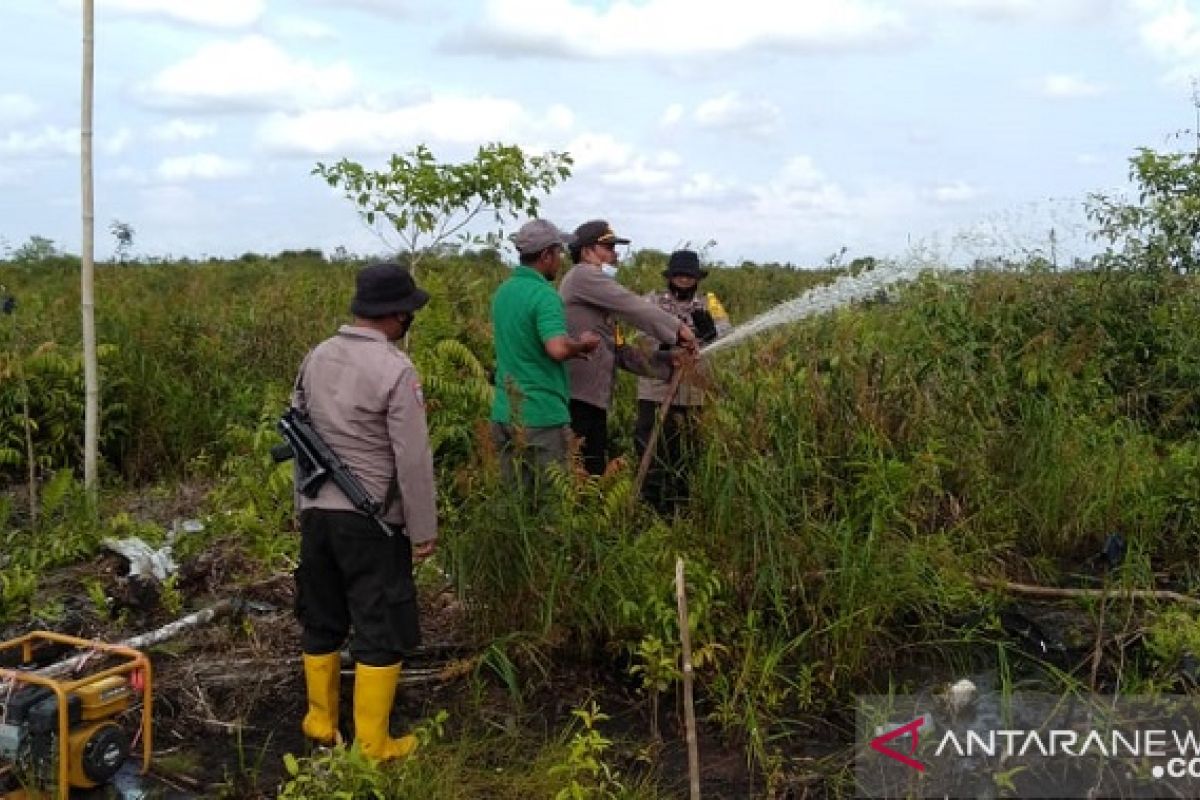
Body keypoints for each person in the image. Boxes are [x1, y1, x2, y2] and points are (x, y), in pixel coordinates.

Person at [292, 263, 437, 761]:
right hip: (371, 520)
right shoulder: (396, 369)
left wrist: (302, 506)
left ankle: (320, 722)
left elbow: (298, 435)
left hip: (316, 512)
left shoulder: (316, 357)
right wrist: (423, 530)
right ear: (396, 315)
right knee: (379, 624)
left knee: (322, 614)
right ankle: (373, 743)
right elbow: (412, 459)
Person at [560, 220, 698, 475]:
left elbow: (619, 352)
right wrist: (678, 330)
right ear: (587, 251)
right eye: (608, 247)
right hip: (577, 398)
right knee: (580, 477)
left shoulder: (595, 295)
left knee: (591, 475)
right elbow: (631, 305)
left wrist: (667, 361)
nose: (614, 254)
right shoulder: (584, 276)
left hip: (591, 399)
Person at [490, 219, 600, 485]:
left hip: (504, 413)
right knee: (553, 505)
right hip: (541, 415)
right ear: (545, 255)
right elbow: (557, 348)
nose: (561, 259)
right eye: (558, 252)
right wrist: (582, 346)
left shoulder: (503, 292)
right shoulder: (544, 295)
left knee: (513, 502)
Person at [634, 250, 731, 515]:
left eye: (690, 276)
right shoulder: (652, 302)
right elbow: (642, 339)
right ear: (670, 276)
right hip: (655, 391)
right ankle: (650, 512)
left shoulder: (708, 304)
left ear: (697, 278)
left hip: (692, 394)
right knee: (651, 452)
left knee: (686, 455)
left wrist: (711, 330)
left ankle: (682, 513)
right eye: (679, 275)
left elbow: (725, 331)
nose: (684, 280)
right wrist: (667, 346)